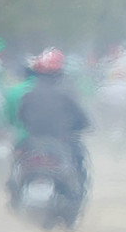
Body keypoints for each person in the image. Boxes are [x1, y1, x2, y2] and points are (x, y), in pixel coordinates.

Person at [15, 48, 91, 181]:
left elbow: (21, 118)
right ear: (59, 73)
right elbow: (82, 119)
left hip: (33, 142)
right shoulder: (66, 94)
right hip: (60, 142)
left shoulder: (28, 95)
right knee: (78, 155)